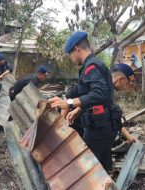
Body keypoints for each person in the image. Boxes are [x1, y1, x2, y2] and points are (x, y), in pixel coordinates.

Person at [49, 31, 121, 174]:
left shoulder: (91, 67)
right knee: (103, 167)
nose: (70, 58)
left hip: (99, 127)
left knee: (85, 170)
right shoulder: (94, 64)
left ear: (77, 48)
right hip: (106, 124)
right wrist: (79, 108)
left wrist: (69, 103)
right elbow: (99, 96)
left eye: (70, 54)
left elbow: (99, 94)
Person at [112, 63, 136, 144]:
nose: (124, 87)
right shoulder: (102, 88)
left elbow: (114, 118)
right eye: (126, 83)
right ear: (120, 79)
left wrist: (127, 135)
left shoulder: (109, 91)